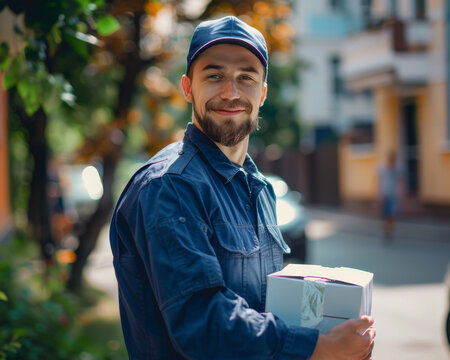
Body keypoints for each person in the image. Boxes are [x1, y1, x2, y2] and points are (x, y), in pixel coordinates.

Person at [110, 16, 375, 359]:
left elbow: (266, 310)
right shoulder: (169, 187)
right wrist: (319, 348)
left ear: (262, 93)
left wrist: (340, 334)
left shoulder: (259, 189)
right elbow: (203, 324)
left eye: (246, 77)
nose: (231, 92)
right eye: (214, 75)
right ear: (188, 87)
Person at [378, 151, 402, 241]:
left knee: (393, 215)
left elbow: (400, 183)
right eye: (390, 159)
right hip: (385, 195)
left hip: (394, 196)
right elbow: (379, 182)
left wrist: (400, 196)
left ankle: (390, 231)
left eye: (393, 160)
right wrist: (379, 196)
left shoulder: (397, 170)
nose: (392, 161)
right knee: (386, 215)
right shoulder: (383, 169)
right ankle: (386, 231)